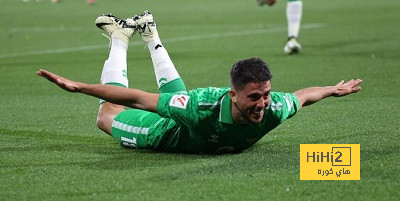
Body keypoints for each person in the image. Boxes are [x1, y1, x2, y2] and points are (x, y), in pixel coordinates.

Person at [37, 11, 362, 154]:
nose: (262, 104)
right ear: (233, 95)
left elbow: (302, 96)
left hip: (187, 117)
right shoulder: (202, 107)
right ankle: (121, 37)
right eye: (253, 98)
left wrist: (332, 90)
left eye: (264, 95)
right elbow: (137, 98)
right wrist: (79, 87)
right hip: (163, 135)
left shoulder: (274, 107)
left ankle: (150, 33)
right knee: (106, 115)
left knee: (177, 100)